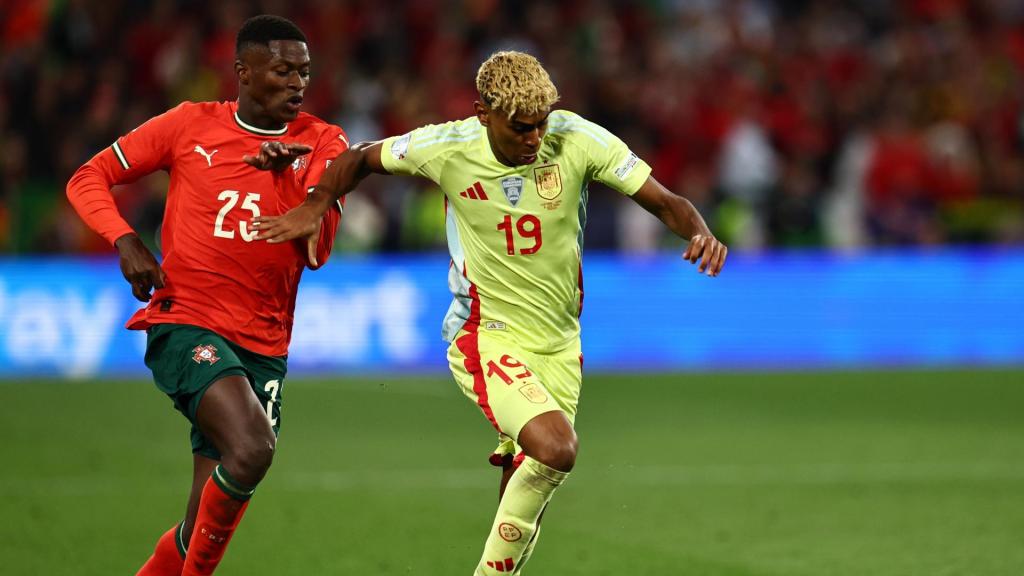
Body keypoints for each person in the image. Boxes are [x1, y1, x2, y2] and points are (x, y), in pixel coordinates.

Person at [251, 50, 727, 575]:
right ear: (484, 114)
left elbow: (664, 202)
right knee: (556, 448)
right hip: (486, 333)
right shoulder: (447, 146)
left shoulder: (578, 139)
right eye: (521, 127)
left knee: (530, 478)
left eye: (541, 125)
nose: (535, 138)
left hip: (561, 344)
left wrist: (700, 231)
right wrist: (316, 204)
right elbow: (360, 158)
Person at [65, 15, 347, 576]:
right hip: (186, 320)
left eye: (304, 73)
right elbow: (87, 177)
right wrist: (124, 240)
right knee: (253, 448)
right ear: (243, 72)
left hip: (263, 344)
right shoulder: (187, 125)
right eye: (283, 70)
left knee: (202, 524)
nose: (297, 83)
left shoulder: (322, 140)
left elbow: (320, 245)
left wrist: (292, 186)